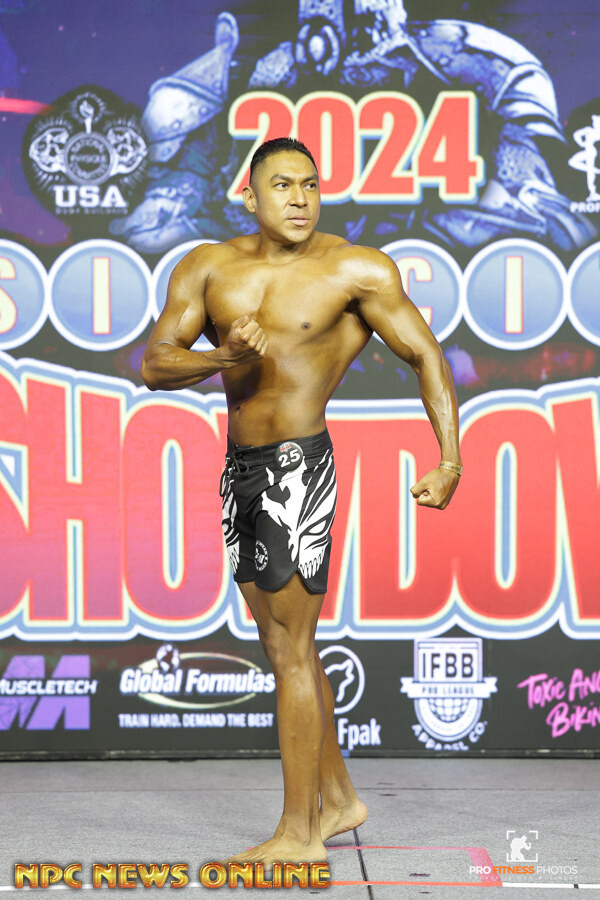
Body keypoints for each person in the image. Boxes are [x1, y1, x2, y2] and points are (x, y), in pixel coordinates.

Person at [141, 136, 462, 865]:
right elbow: (156, 363)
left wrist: (449, 460)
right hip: (240, 467)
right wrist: (224, 357)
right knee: (283, 643)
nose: (300, 198)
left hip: (297, 469)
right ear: (248, 195)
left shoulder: (355, 269)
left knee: (290, 649)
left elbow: (425, 354)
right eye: (283, 185)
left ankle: (299, 835)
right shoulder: (207, 265)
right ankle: (340, 799)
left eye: (311, 185)